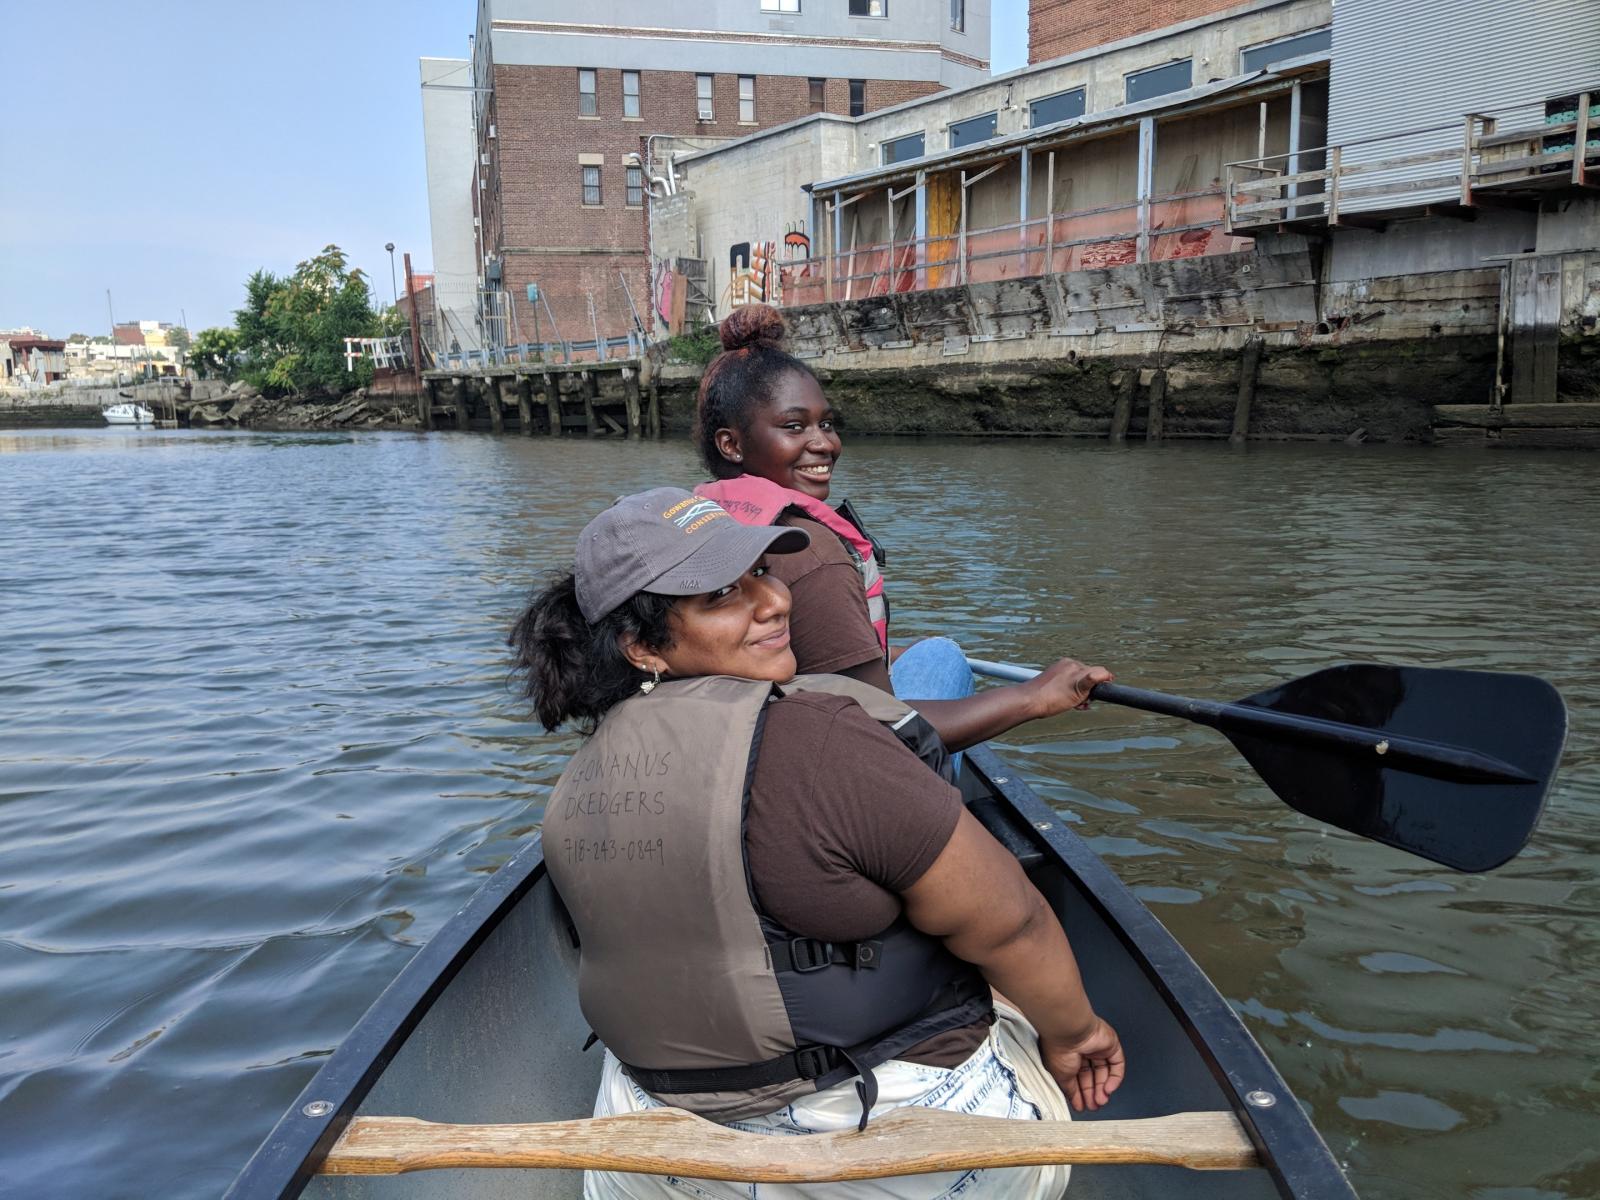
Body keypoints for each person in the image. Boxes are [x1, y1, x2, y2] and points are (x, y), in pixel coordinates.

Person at [509, 487, 1124, 1200]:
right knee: (1018, 991)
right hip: (864, 1148)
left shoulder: (578, 780)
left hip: (656, 1166)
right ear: (642, 646)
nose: (773, 602)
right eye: (720, 595)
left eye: (762, 574)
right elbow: (1011, 920)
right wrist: (1077, 1035)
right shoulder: (823, 736)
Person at [692, 304, 1104, 760]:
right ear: (731, 444)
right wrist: (1037, 697)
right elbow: (879, 725)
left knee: (922, 651)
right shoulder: (812, 553)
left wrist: (876, 647)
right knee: (943, 657)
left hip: (745, 737)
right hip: (829, 762)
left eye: (826, 423)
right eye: (795, 426)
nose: (825, 443)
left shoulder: (700, 518)